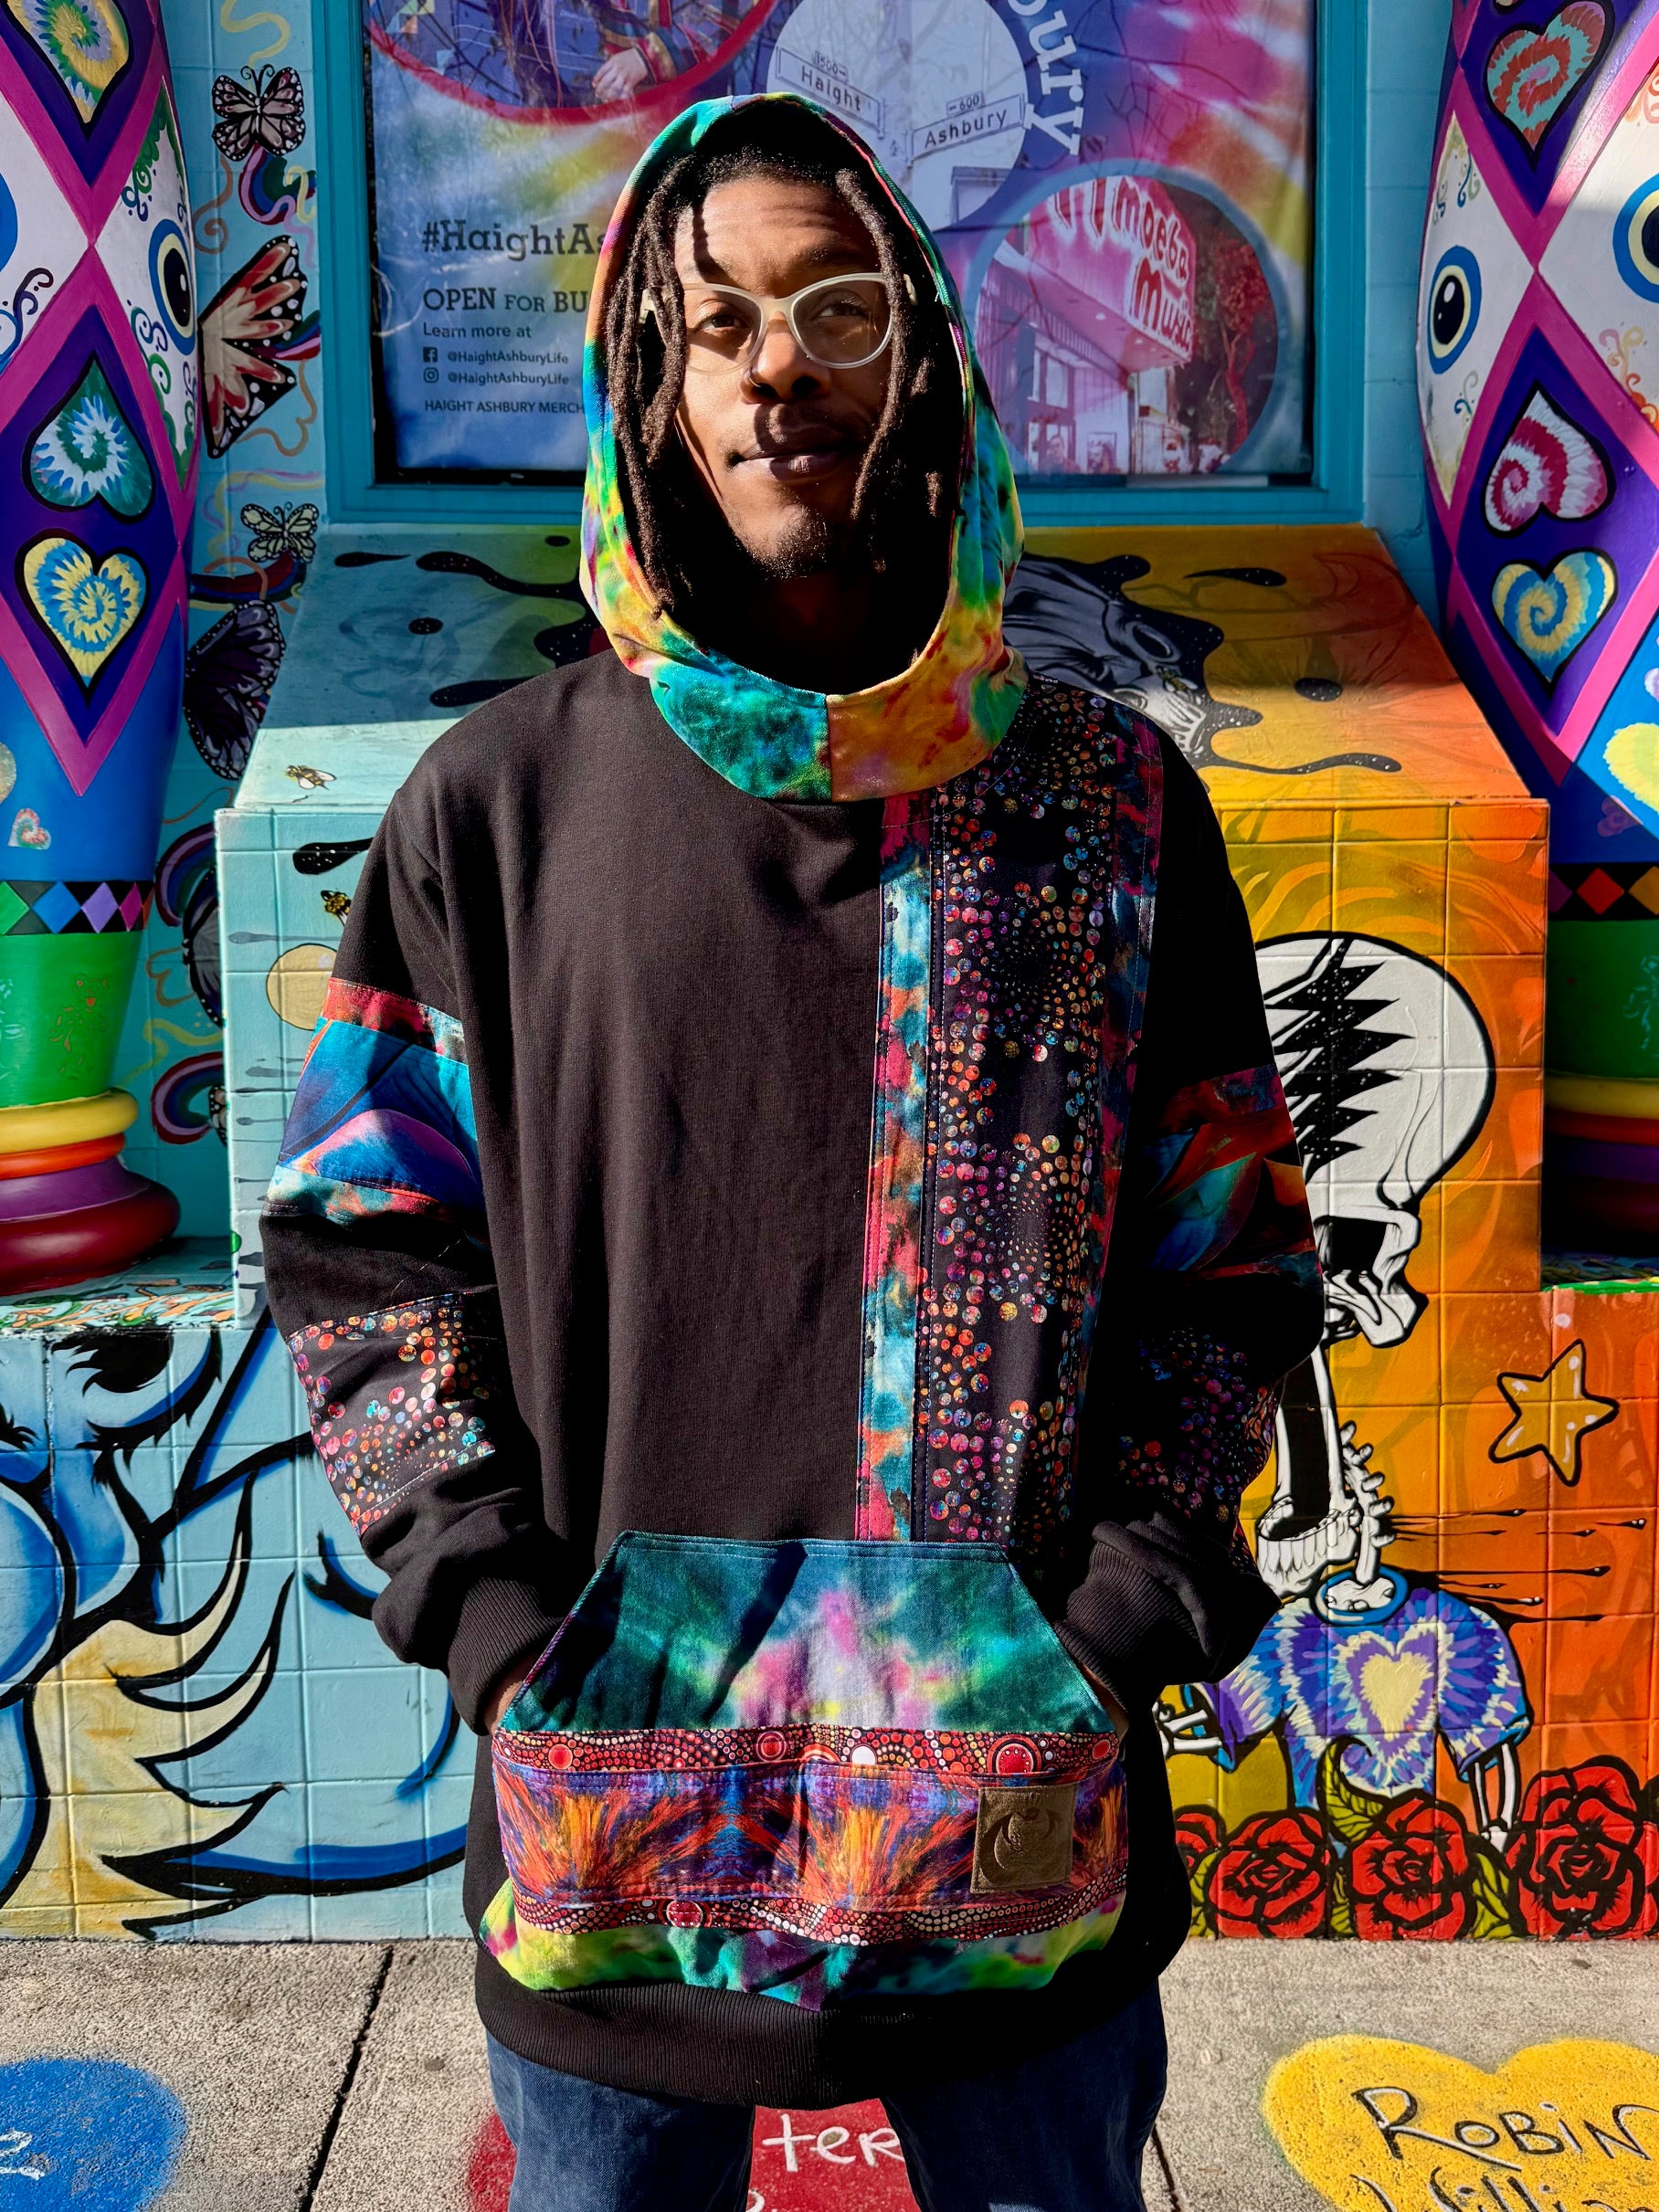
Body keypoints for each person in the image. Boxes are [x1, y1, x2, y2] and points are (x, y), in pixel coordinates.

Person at [262, 93, 1323, 2212]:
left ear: (922, 351)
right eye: (712, 320)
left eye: (835, 306)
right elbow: (367, 1247)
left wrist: (1111, 1618)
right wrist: (498, 1619)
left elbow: (1226, 1263)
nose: (774, 369)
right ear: (644, 384)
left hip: (1020, 1862)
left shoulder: (1106, 806)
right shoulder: (493, 810)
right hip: (605, 1855)